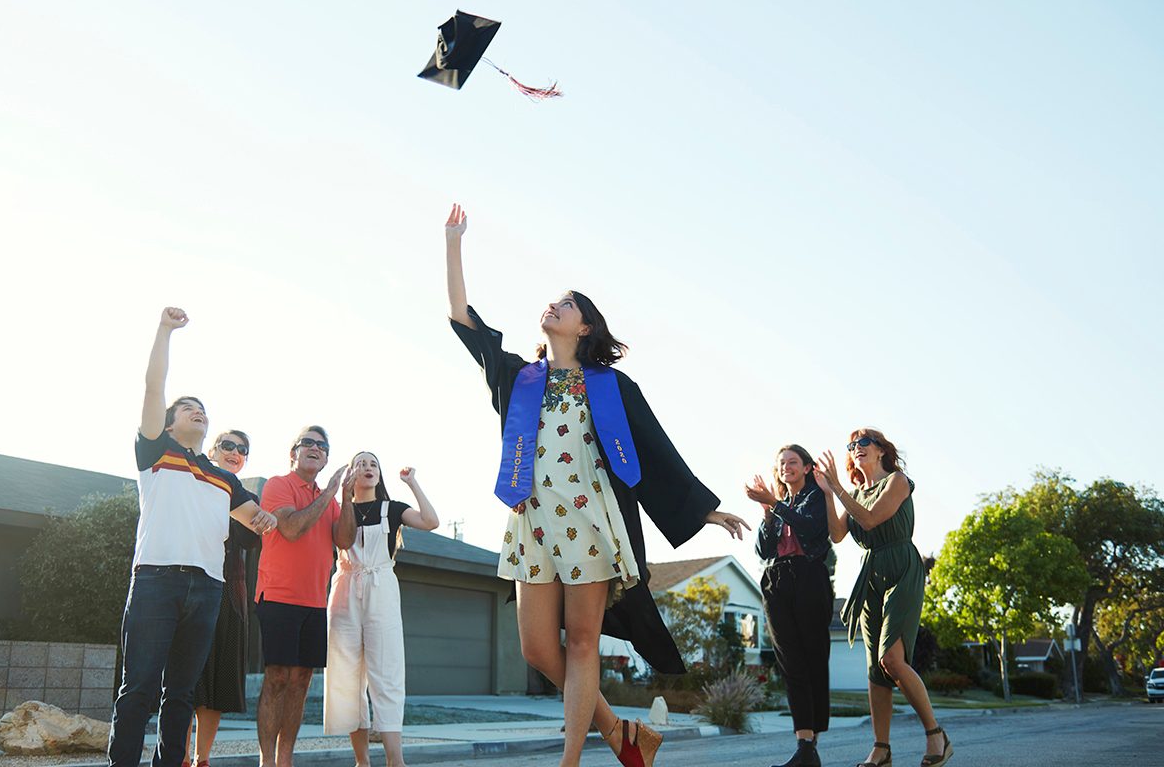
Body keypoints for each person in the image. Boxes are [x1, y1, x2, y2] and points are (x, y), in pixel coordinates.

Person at [443, 204, 749, 767]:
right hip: (531, 520)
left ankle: (570, 761)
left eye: (568, 303)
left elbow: (656, 451)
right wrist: (454, 243)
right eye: (554, 300)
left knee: (582, 643)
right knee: (538, 648)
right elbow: (464, 319)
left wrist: (704, 510)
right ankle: (625, 734)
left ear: (584, 326)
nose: (554, 305)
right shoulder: (520, 377)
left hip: (590, 521)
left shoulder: (610, 386)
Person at [109, 308, 276, 767]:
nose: (198, 411)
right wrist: (164, 330)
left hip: (208, 589)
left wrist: (267, 521)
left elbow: (254, 517)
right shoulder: (155, 450)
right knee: (139, 688)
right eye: (187, 408)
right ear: (166, 423)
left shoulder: (224, 479)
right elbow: (153, 387)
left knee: (180, 694)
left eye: (202, 409)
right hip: (155, 581)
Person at [814, 429, 953, 767]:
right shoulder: (856, 494)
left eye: (864, 442)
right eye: (852, 445)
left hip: (902, 566)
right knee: (876, 668)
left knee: (892, 659)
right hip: (871, 575)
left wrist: (837, 487)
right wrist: (829, 494)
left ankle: (937, 735)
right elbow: (836, 534)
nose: (856, 448)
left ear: (880, 450)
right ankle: (881, 749)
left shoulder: (898, 481)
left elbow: (872, 519)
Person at [324, 451, 440, 767]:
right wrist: (343, 496)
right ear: (351, 474)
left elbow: (431, 521)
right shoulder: (337, 510)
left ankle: (395, 762)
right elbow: (340, 540)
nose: (367, 467)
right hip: (345, 590)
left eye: (373, 463)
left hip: (381, 589)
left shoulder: (392, 510)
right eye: (360, 463)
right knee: (347, 678)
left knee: (386, 673)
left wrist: (412, 482)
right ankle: (362, 762)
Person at [255, 427, 346, 767]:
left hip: (315, 602)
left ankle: (285, 761)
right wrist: (330, 493)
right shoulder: (279, 484)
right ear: (293, 452)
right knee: (278, 676)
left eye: (322, 446)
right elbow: (291, 528)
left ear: (326, 459)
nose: (315, 448)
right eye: (307, 442)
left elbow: (345, 540)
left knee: (301, 681)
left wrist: (345, 497)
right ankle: (266, 761)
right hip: (278, 595)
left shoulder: (332, 499)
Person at [746, 445, 834, 767]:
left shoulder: (814, 497)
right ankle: (804, 745)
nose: (786, 467)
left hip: (809, 577)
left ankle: (811, 746)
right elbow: (763, 549)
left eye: (793, 462)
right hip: (776, 580)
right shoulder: (780, 505)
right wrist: (768, 512)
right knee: (791, 663)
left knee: (813, 659)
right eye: (781, 463)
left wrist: (775, 503)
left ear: (807, 467)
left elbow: (811, 528)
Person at [183, 430, 261, 767]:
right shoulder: (193, 483)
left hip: (231, 597)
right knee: (186, 680)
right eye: (227, 445)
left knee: (216, 683)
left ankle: (202, 759)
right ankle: (179, 756)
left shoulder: (241, 495)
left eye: (242, 450)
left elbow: (252, 534)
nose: (235, 451)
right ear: (213, 450)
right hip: (192, 590)